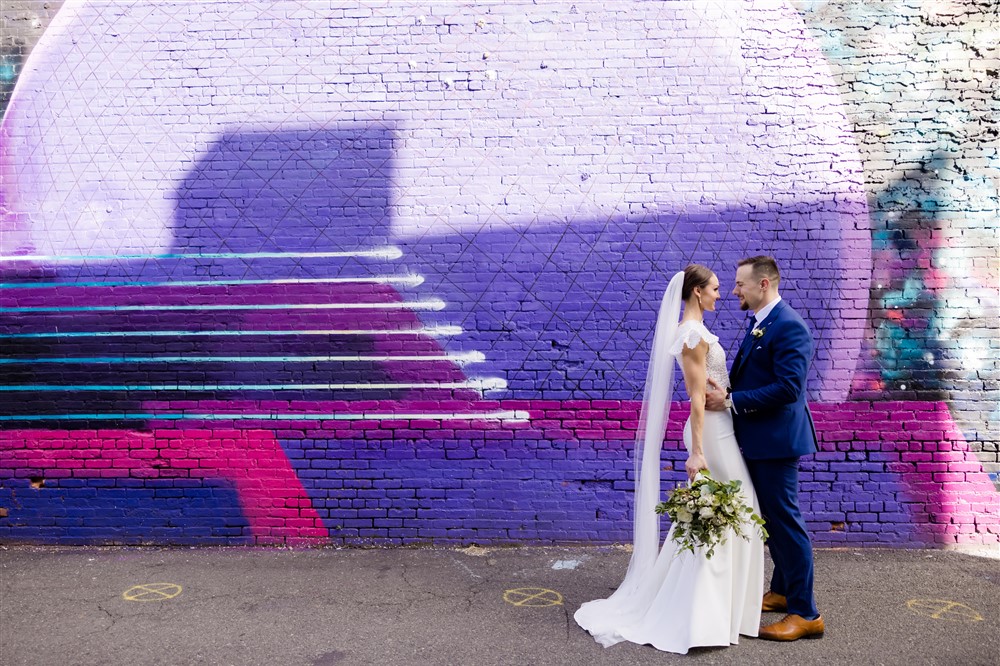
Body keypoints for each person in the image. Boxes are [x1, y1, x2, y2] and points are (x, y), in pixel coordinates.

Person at [574, 264, 764, 654]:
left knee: (727, 514)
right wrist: (697, 451)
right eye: (713, 288)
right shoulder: (691, 333)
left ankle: (722, 609)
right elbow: (696, 397)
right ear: (696, 292)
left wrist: (725, 390)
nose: (720, 294)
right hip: (710, 433)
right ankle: (701, 615)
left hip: (721, 426)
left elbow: (710, 385)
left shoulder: (697, 332)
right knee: (731, 511)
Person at [705, 255, 824, 641]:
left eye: (740, 284)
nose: (734, 290)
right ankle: (781, 591)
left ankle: (806, 614)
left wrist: (731, 400)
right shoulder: (762, 322)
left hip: (776, 442)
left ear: (764, 284)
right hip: (760, 439)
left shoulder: (789, 326)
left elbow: (790, 388)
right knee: (771, 520)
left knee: (786, 524)